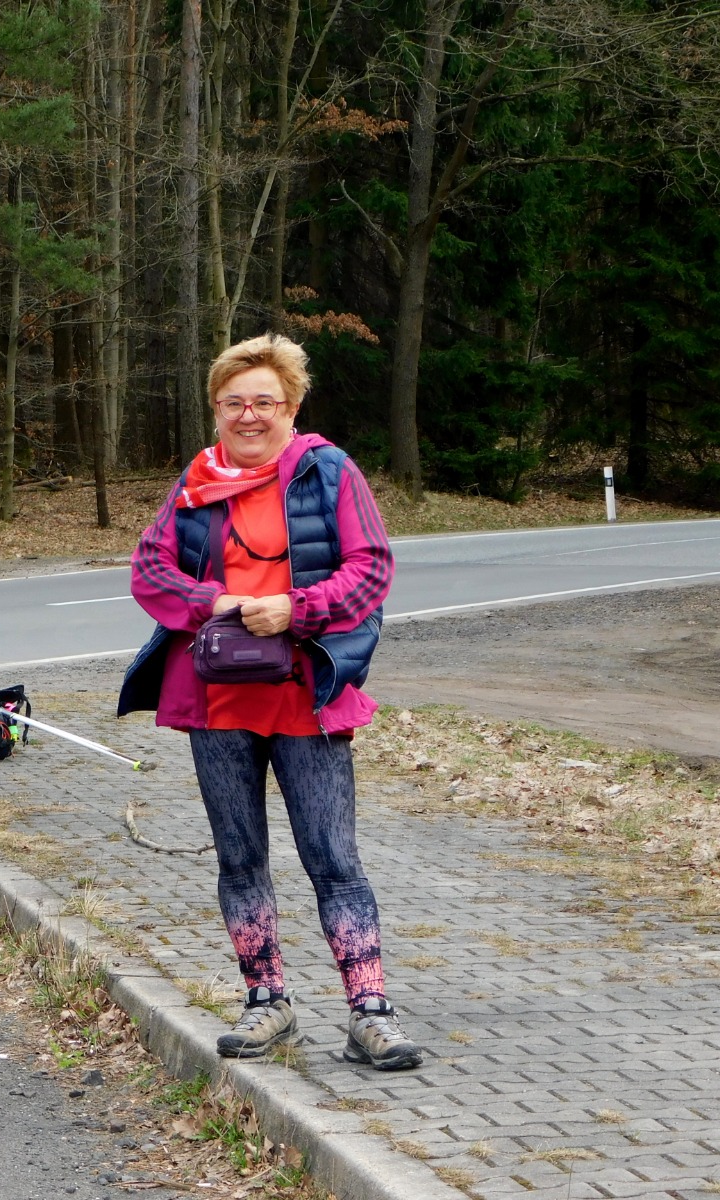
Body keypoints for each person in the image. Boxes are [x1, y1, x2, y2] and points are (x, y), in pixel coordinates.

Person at [118, 333, 422, 1072]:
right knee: (240, 858)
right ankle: (267, 1003)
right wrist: (213, 602)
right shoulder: (196, 481)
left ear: (291, 407)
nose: (249, 415)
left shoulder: (328, 471)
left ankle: (370, 1013)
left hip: (305, 693)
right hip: (216, 697)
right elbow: (149, 569)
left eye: (265, 401)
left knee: (334, 858)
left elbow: (371, 567)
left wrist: (296, 609)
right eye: (234, 402)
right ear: (216, 409)